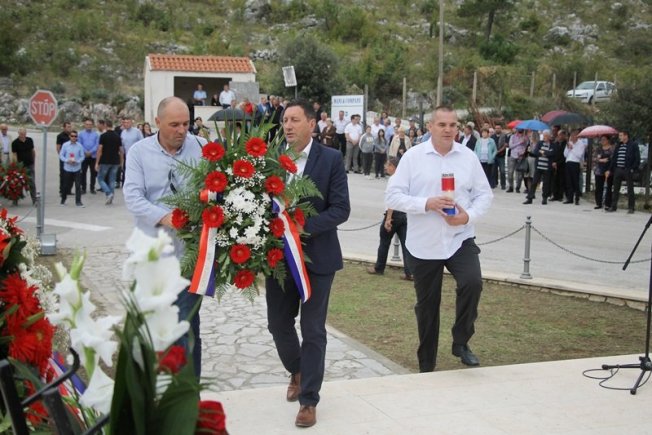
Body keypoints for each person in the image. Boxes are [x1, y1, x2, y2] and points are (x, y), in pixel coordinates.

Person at [385, 105, 493, 373]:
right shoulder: (413, 157)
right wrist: (427, 203)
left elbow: (484, 195)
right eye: (442, 125)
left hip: (460, 238)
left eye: (453, 125)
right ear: (430, 127)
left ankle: (461, 341)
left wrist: (467, 217)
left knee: (472, 283)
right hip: (424, 243)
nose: (448, 130)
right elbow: (393, 196)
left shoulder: (468, 157)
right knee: (427, 306)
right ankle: (427, 363)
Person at [265, 99, 350, 428]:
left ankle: (309, 400)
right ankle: (298, 369)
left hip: (319, 259)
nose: (288, 125)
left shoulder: (330, 159)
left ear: (311, 125)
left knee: (313, 329)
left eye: (295, 120)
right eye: (285, 120)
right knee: (278, 324)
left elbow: (341, 209)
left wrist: (304, 227)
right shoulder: (271, 159)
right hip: (279, 258)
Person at [124, 96, 207, 377]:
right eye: (174, 124)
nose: (182, 130)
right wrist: (165, 217)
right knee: (153, 326)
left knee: (186, 325)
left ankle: (187, 392)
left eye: (185, 124)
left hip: (189, 256)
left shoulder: (202, 148)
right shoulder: (138, 153)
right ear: (157, 122)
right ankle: (155, 386)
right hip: (152, 256)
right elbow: (133, 197)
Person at [367, 157, 412, 280]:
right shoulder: (406, 178)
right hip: (404, 214)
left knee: (384, 241)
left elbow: (392, 199)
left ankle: (379, 267)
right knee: (406, 245)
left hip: (393, 214)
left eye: (388, 165)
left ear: (393, 166)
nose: (386, 167)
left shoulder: (394, 179)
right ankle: (410, 272)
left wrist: (388, 218)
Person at [606, 130, 640, 214]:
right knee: (615, 189)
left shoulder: (633, 145)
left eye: (621, 135)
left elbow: (637, 158)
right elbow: (614, 158)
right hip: (618, 169)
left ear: (626, 136)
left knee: (630, 189)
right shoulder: (618, 145)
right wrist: (610, 169)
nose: (619, 137)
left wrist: (633, 168)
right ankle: (613, 206)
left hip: (627, 169)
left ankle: (631, 207)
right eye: (619, 136)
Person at [523, 130, 558, 205]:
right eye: (544, 136)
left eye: (546, 136)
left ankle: (544, 198)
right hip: (538, 166)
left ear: (549, 136)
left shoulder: (553, 145)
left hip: (547, 167)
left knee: (546, 184)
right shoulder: (540, 143)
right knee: (534, 182)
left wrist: (542, 152)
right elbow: (536, 152)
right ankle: (530, 198)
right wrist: (545, 153)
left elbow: (552, 153)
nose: (544, 137)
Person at [95, 120, 124, 205]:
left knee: (100, 178)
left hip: (105, 160)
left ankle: (108, 193)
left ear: (105, 125)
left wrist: (97, 162)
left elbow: (100, 150)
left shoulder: (103, 136)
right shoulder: (117, 136)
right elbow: (121, 150)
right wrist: (121, 161)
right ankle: (111, 197)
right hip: (115, 161)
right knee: (112, 180)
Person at [59, 130, 85, 207]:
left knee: (78, 185)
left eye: (75, 136)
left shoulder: (79, 146)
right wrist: (67, 160)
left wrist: (77, 161)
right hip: (67, 168)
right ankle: (63, 200)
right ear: (69, 137)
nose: (74, 138)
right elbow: (61, 155)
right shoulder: (65, 145)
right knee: (66, 185)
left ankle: (78, 201)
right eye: (72, 136)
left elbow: (82, 156)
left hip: (77, 168)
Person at [11, 128, 36, 205]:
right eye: (21, 134)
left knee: (32, 183)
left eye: (24, 134)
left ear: (26, 133)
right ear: (18, 134)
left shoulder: (30, 140)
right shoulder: (15, 143)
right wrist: (16, 166)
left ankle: (34, 200)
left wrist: (33, 161)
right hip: (21, 166)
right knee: (18, 183)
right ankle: (15, 200)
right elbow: (14, 155)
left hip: (30, 164)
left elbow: (32, 151)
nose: (23, 135)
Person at [563, 129, 587, 205]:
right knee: (568, 181)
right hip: (568, 163)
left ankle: (577, 198)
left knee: (575, 181)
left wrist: (572, 148)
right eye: (571, 136)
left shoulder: (581, 144)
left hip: (575, 163)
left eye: (574, 135)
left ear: (577, 136)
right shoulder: (569, 143)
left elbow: (579, 155)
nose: (572, 137)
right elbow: (565, 154)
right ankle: (570, 198)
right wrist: (568, 148)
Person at [78, 118, 99, 194]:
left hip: (93, 156)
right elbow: (79, 144)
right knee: (83, 173)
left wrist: (91, 152)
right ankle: (83, 188)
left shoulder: (96, 134)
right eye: (87, 124)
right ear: (84, 125)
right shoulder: (80, 134)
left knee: (93, 173)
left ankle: (92, 188)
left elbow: (97, 145)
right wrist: (85, 152)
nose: (89, 126)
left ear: (92, 125)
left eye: (90, 124)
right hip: (84, 156)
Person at [593, 135, 614, 210]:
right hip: (599, 170)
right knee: (598, 187)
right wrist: (601, 160)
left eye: (604, 139)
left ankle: (607, 204)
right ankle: (599, 203)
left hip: (608, 170)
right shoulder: (598, 149)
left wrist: (609, 170)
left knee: (608, 187)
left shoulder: (612, 149)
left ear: (608, 140)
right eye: (601, 139)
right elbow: (594, 158)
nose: (602, 141)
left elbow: (612, 159)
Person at [56, 122, 73, 196]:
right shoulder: (60, 136)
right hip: (64, 158)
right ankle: (62, 191)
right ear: (64, 127)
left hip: (72, 157)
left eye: (70, 126)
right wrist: (62, 157)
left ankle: (68, 190)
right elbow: (58, 147)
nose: (69, 128)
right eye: (68, 127)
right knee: (63, 174)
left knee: (71, 174)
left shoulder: (72, 135)